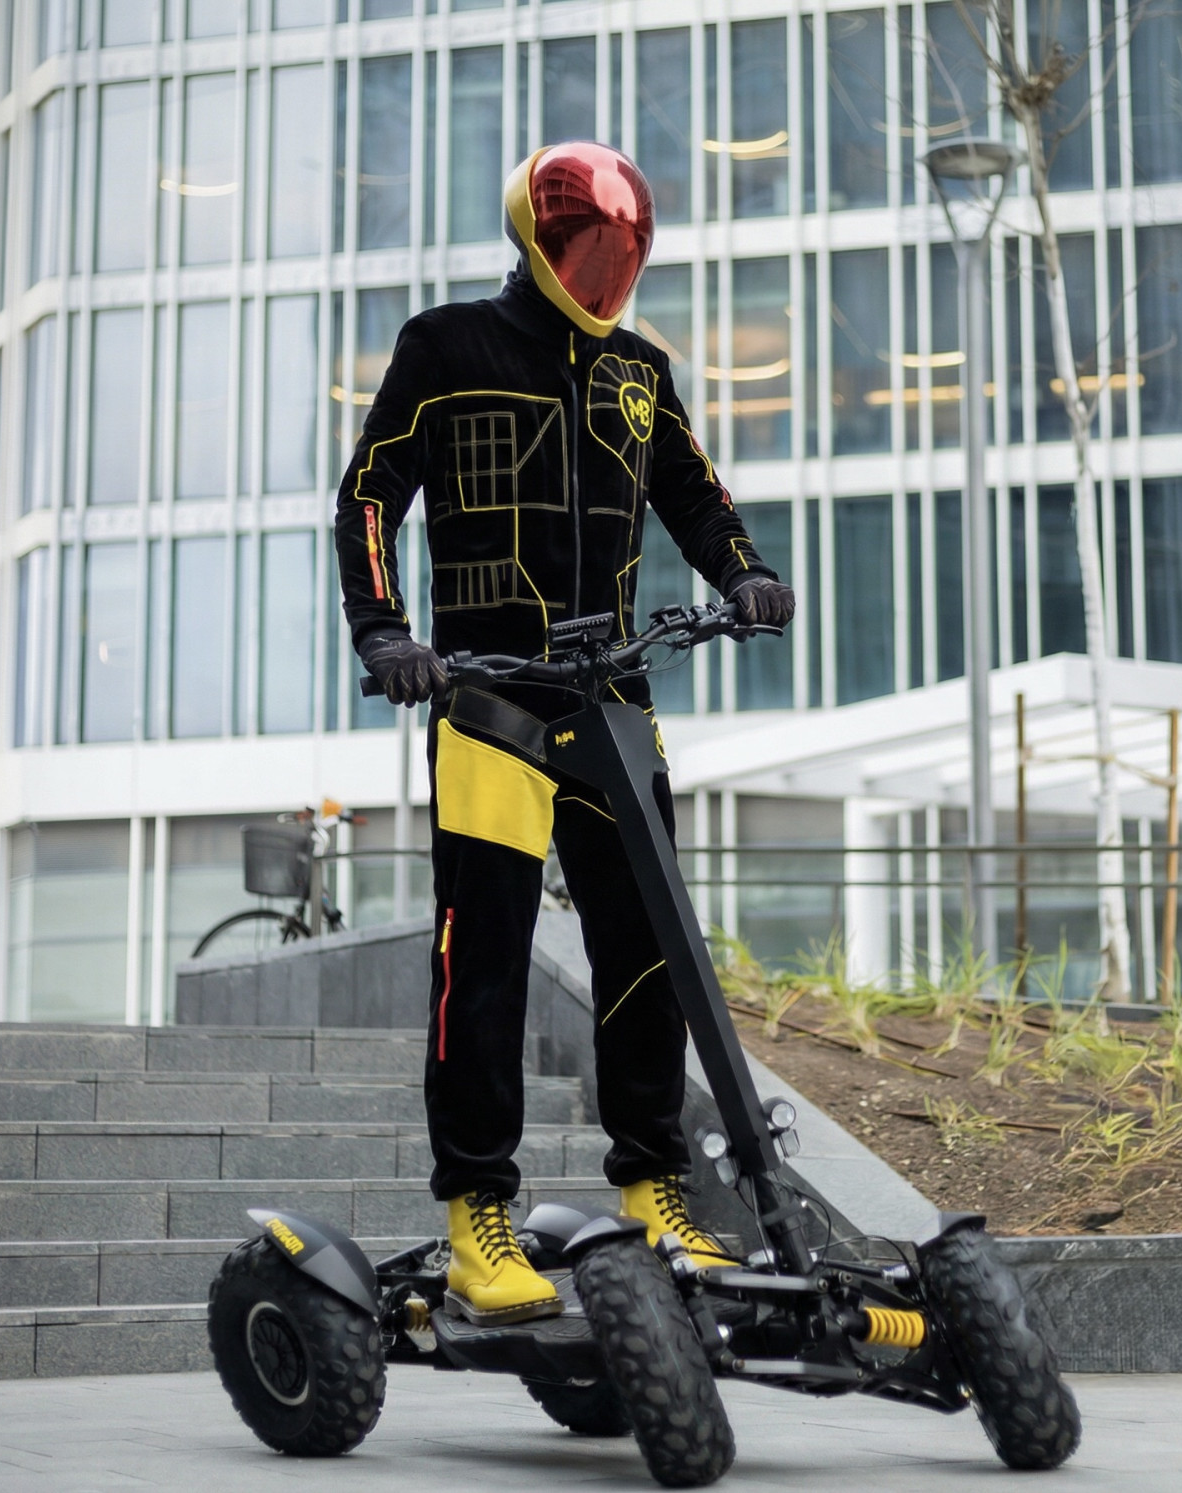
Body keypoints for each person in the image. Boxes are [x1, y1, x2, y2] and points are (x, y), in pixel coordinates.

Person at [333, 141, 794, 1326]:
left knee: (648, 952)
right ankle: (475, 1214)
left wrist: (743, 573)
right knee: (482, 958)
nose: (603, 273)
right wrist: (384, 630)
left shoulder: (640, 370)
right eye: (586, 250)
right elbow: (371, 491)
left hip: (613, 697)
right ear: (536, 241)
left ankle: (652, 1189)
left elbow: (692, 491)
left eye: (620, 254)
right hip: (490, 698)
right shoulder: (445, 347)